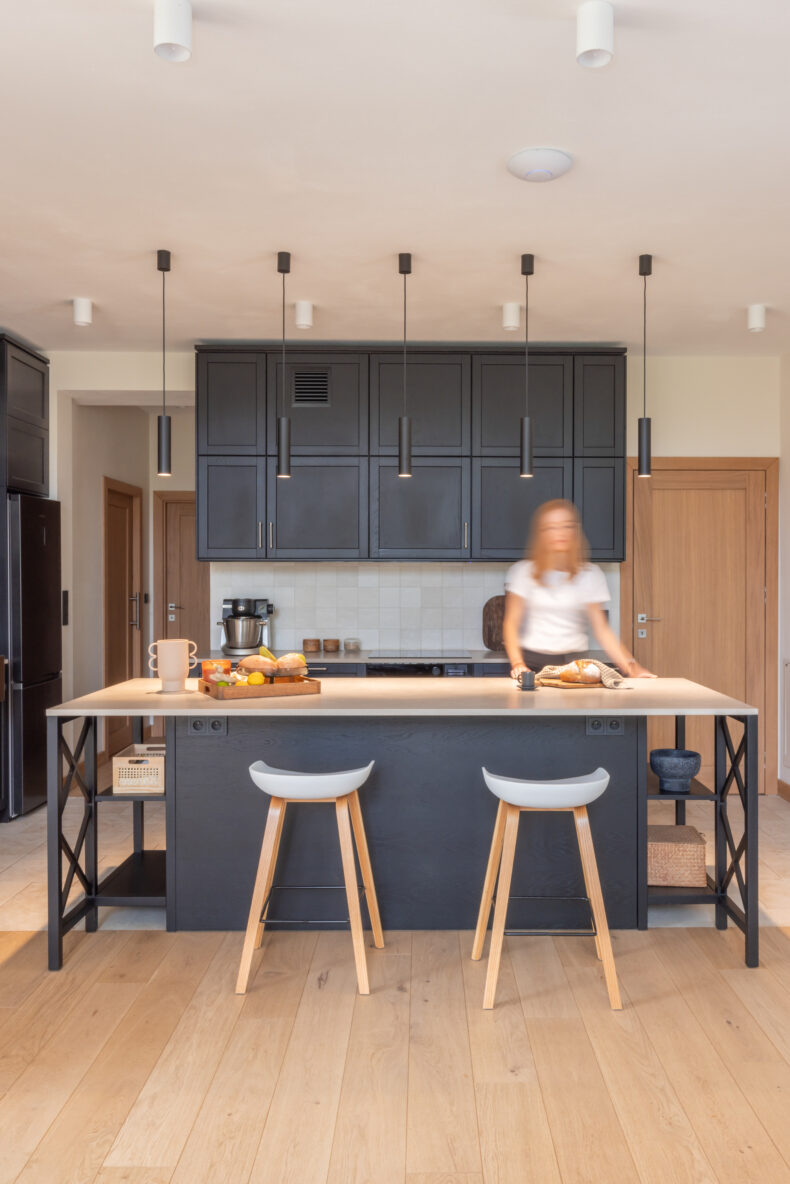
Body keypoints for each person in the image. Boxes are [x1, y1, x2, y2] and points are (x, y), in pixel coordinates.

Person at [503, 499, 655, 680]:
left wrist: (632, 668)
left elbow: (602, 630)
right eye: (551, 527)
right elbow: (511, 624)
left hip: (576, 667)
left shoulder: (591, 575)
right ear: (541, 534)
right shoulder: (522, 572)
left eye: (567, 526)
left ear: (575, 531)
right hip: (531, 666)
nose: (560, 532)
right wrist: (517, 663)